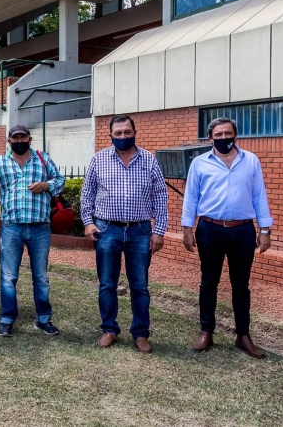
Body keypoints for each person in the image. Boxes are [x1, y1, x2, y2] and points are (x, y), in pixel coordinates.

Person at [181, 117, 273, 359]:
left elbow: (259, 196)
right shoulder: (199, 163)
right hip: (210, 230)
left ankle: (243, 335)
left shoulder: (250, 161)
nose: (224, 138)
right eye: (218, 135)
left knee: (241, 285)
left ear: (235, 135)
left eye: (228, 133)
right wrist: (187, 229)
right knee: (209, 282)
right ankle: (206, 332)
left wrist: (265, 230)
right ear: (210, 138)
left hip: (242, 231)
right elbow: (190, 198)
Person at [0, 125, 65, 337]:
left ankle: (44, 319)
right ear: (9, 141)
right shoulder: (1, 162)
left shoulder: (43, 159)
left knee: (41, 276)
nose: (20, 140)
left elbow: (60, 181)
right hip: (12, 227)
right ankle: (7, 318)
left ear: (30, 139)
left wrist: (45, 186)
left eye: (23, 137)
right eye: (15, 138)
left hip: (40, 227)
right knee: (8, 276)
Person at [80, 114, 168, 354]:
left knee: (139, 285)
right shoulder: (99, 159)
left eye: (127, 132)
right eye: (118, 133)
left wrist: (158, 231)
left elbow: (161, 196)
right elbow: (87, 194)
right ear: (111, 135)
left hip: (140, 231)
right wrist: (89, 223)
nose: (122, 137)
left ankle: (140, 333)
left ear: (134, 132)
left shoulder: (149, 160)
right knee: (107, 283)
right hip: (108, 229)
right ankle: (109, 329)